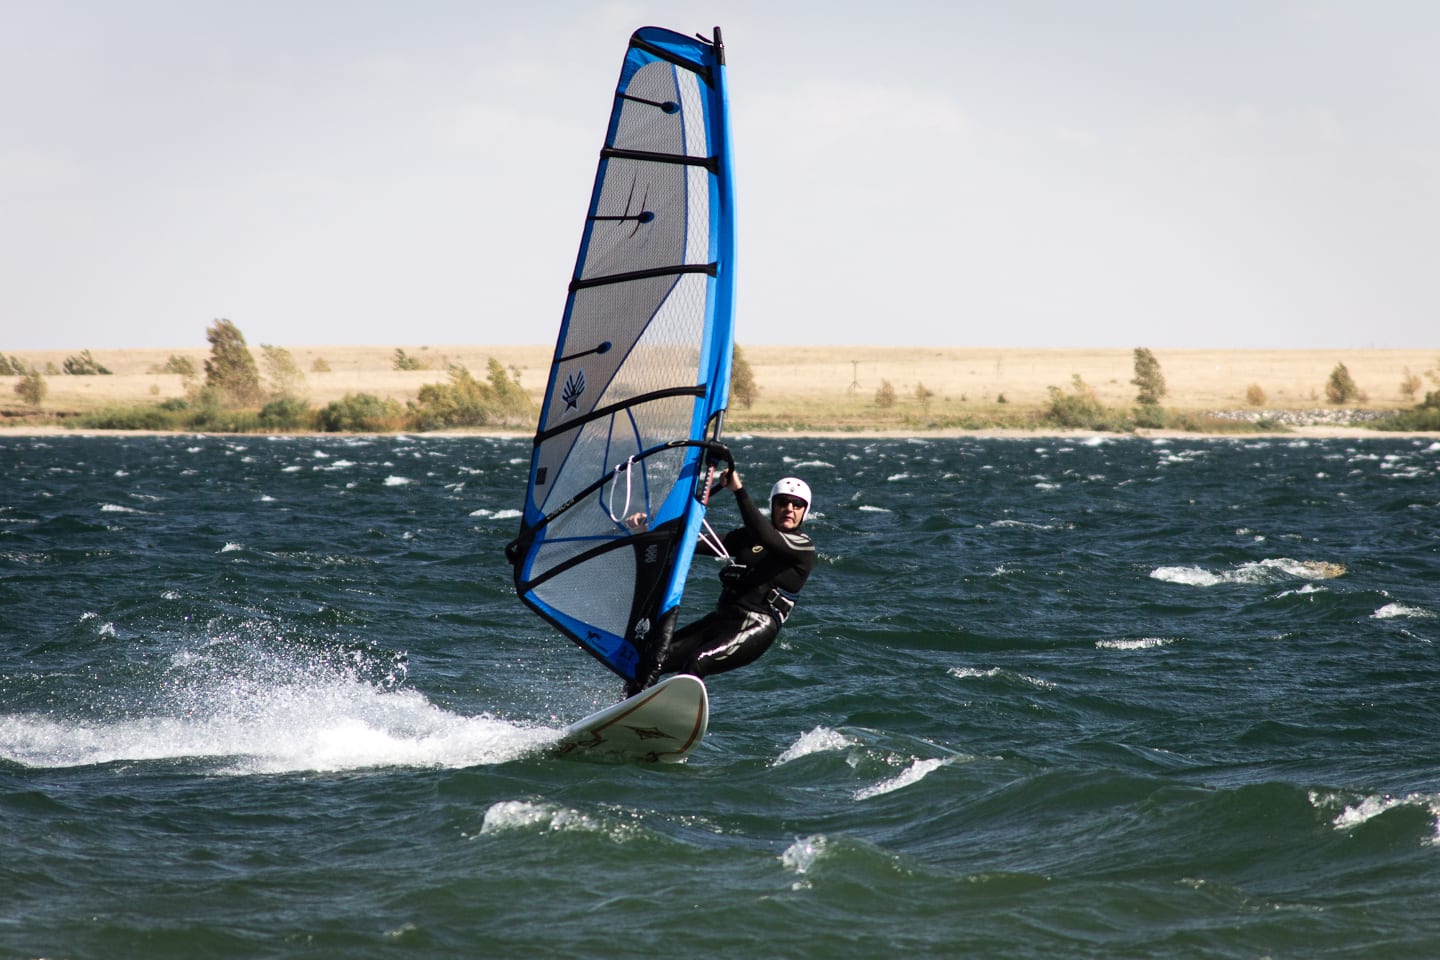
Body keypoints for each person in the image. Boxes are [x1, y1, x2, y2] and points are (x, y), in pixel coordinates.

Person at [625, 468, 815, 695]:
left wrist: (739, 491)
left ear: (805, 511)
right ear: (773, 505)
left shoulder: (802, 546)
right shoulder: (748, 537)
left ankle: (667, 716)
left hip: (756, 626)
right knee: (652, 660)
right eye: (783, 502)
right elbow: (690, 543)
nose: (789, 509)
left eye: (797, 505)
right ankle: (625, 707)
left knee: (697, 661)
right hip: (721, 620)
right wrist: (648, 530)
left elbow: (768, 537)